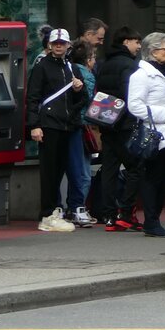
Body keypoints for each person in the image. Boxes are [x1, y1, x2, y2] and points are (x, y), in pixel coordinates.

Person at [25, 28, 86, 233]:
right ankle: (47, 214)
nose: (59, 46)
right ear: (50, 46)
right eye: (56, 43)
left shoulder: (72, 68)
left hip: (66, 125)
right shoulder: (42, 67)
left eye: (63, 43)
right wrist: (34, 125)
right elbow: (33, 98)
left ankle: (53, 212)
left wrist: (78, 91)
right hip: (49, 124)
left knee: (60, 170)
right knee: (49, 171)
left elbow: (81, 99)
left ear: (68, 45)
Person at [127, 32, 165, 238]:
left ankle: (154, 219)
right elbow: (135, 105)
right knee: (153, 177)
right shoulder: (141, 76)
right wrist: (164, 115)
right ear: (153, 51)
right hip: (153, 133)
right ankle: (151, 221)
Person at [94, 26, 144, 231]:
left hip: (107, 122)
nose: (139, 46)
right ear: (126, 42)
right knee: (136, 167)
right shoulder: (130, 66)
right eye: (136, 42)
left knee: (109, 170)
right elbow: (129, 95)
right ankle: (126, 212)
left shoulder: (104, 64)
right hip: (125, 124)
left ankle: (108, 216)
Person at [64, 40, 98, 227]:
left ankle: (71, 207)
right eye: (93, 57)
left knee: (72, 168)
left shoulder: (68, 69)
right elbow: (91, 100)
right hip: (83, 125)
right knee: (82, 171)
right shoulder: (87, 75)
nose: (94, 61)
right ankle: (78, 208)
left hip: (68, 124)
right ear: (87, 60)